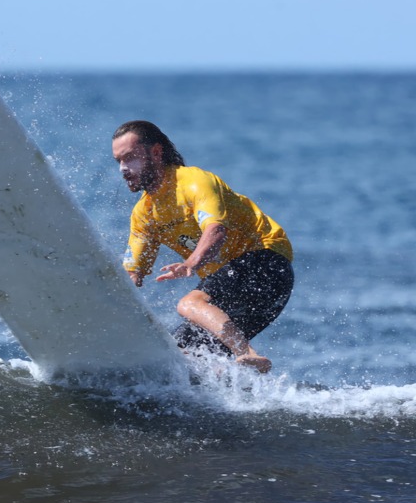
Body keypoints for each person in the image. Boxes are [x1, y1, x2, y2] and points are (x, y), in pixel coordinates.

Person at [112, 120, 293, 373]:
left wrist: (190, 264)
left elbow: (216, 230)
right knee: (179, 356)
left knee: (189, 304)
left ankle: (247, 353)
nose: (123, 169)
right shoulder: (144, 214)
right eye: (118, 161)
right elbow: (133, 275)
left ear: (155, 152)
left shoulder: (194, 182)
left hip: (266, 263)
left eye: (130, 158)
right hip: (238, 295)